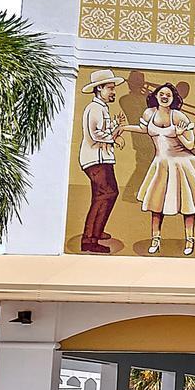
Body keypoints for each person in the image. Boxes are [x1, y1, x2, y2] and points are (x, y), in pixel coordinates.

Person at [131, 82, 195, 255]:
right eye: (161, 94)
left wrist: (179, 135)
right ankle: (155, 238)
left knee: (187, 205)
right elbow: (143, 129)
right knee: (156, 205)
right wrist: (121, 128)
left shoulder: (179, 117)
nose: (164, 97)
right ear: (155, 96)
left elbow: (190, 143)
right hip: (161, 163)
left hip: (182, 163)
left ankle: (189, 239)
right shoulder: (149, 113)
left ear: (173, 99)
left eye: (168, 95)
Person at [75, 69, 127, 253]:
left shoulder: (101, 107)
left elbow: (103, 129)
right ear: (99, 89)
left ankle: (96, 230)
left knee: (104, 195)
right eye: (110, 88)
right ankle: (89, 240)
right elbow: (95, 134)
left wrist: (116, 126)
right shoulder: (94, 108)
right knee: (106, 194)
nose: (113, 92)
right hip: (95, 159)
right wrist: (115, 136)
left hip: (102, 158)